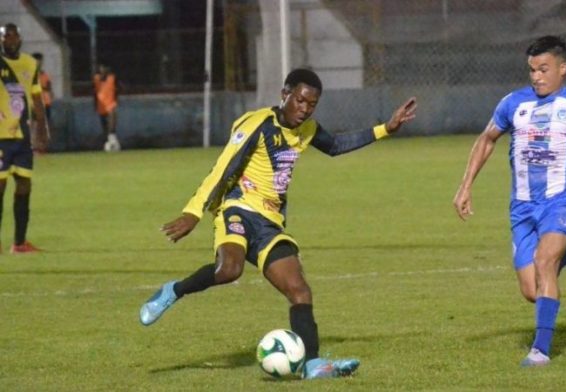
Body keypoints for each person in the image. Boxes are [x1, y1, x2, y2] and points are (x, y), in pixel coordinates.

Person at [139, 68, 417, 379]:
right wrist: (193, 211)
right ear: (285, 94)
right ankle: (173, 291)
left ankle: (312, 364)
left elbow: (335, 145)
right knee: (229, 270)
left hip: (270, 224)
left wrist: (386, 129)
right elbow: (222, 167)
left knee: (300, 291)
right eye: (300, 101)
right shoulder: (257, 123)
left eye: (312, 104)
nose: (305, 109)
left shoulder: (307, 129)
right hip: (238, 208)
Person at [452, 36, 566, 367]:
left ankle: (541, 351)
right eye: (532, 70)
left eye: (544, 69)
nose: (537, 76)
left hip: (561, 200)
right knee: (530, 291)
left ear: (562, 69)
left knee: (545, 262)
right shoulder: (513, 103)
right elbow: (487, 138)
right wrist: (465, 186)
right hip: (522, 207)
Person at [0, 23, 50, 253]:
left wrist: (42, 130)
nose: (10, 39)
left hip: (22, 137)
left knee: (24, 185)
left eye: (13, 35)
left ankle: (19, 243)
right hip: (0, 136)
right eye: (6, 36)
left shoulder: (30, 63)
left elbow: (37, 98)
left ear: (19, 38)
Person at [93, 63, 120, 151]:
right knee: (104, 126)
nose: (103, 70)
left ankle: (113, 139)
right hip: (101, 106)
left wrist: (116, 99)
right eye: (102, 68)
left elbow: (117, 89)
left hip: (111, 104)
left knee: (112, 122)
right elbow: (94, 92)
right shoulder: (96, 79)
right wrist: (95, 104)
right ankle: (108, 142)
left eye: (105, 69)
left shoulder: (112, 78)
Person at [32, 52, 53, 123]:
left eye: (40, 62)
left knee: (46, 123)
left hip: (46, 102)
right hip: (34, 104)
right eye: (37, 62)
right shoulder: (29, 75)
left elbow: (49, 87)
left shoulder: (45, 75)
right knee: (35, 124)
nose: (39, 64)